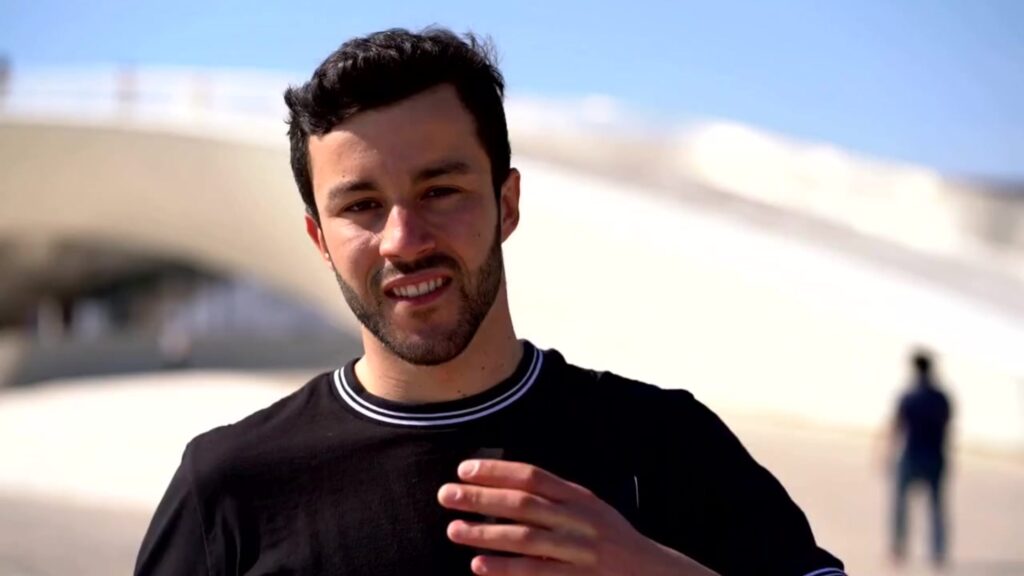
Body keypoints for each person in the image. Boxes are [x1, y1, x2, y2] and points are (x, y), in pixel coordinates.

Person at [134, 28, 845, 576]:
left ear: (507, 204)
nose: (404, 240)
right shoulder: (228, 488)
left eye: (440, 191)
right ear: (319, 238)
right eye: (362, 206)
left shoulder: (665, 444)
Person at [889, 349, 953, 567]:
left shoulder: (909, 395)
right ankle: (938, 552)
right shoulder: (941, 397)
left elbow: (896, 427)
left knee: (900, 506)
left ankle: (898, 549)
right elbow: (947, 428)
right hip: (934, 457)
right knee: (936, 508)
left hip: (911, 455)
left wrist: (886, 453)